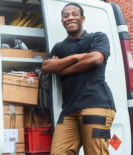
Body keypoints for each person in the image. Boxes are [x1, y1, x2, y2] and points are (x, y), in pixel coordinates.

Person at [41, 2, 116, 155]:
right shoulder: (59, 47)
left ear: (82, 18)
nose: (70, 18)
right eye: (66, 16)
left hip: (96, 104)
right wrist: (76, 57)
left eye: (74, 14)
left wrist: (63, 69)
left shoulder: (97, 37)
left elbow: (95, 59)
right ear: (62, 21)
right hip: (69, 110)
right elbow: (46, 67)